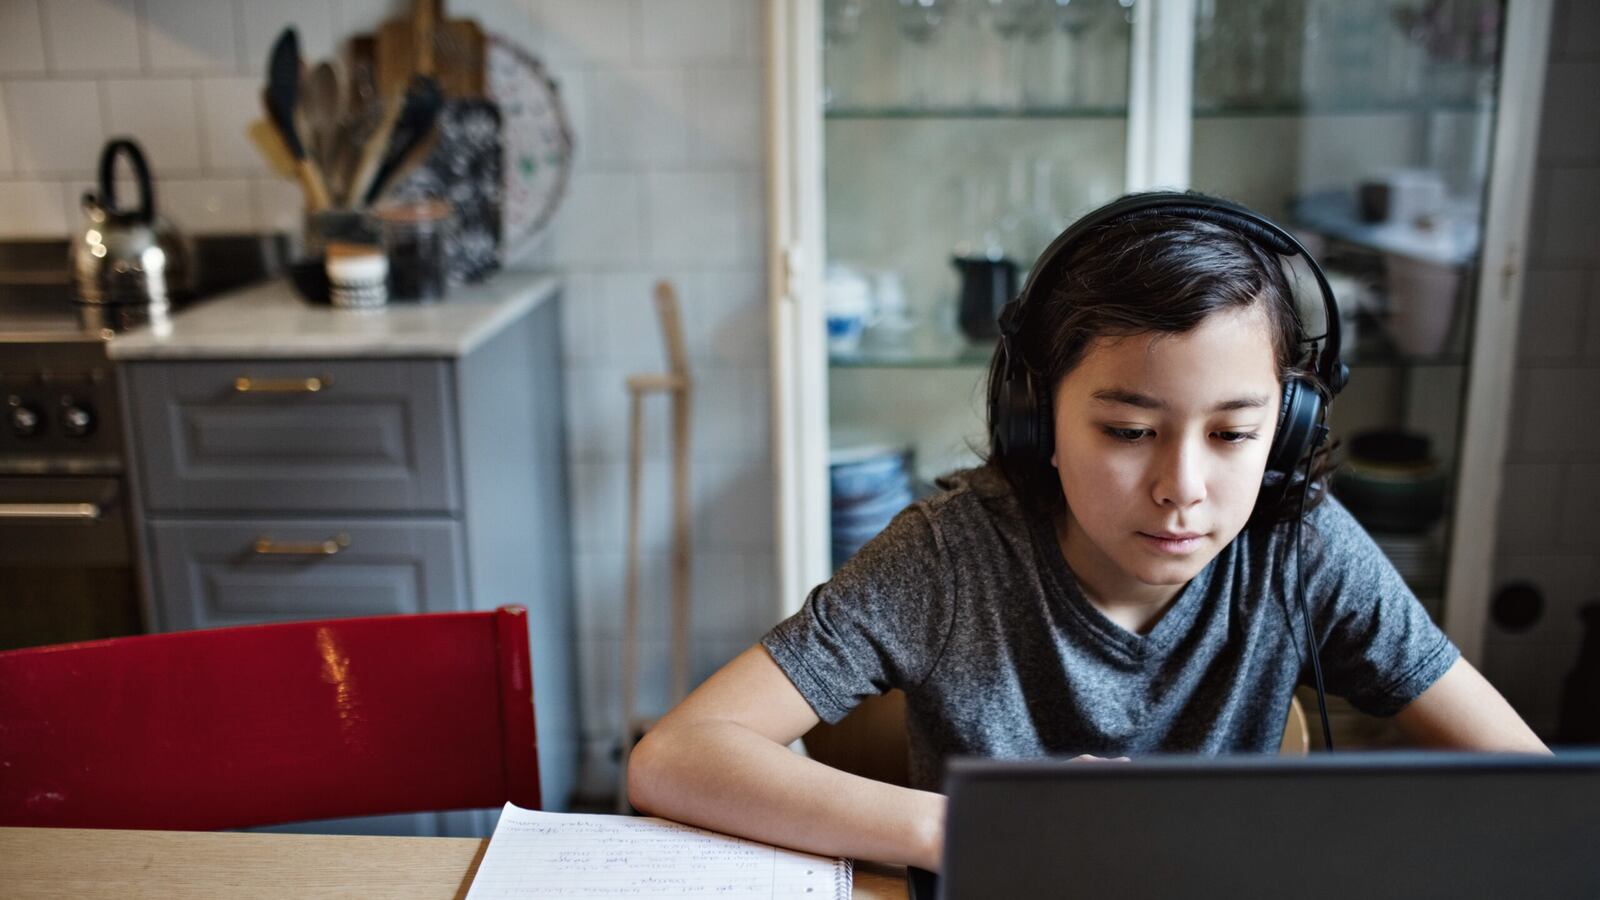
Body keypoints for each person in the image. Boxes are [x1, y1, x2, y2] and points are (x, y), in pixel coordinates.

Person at [626, 192, 1547, 873]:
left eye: (1233, 434)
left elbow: (1536, 793)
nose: (1182, 489)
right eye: (1129, 432)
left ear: (1289, 427)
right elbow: (677, 758)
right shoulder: (952, 554)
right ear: (1037, 419)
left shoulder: (1300, 544)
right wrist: (965, 829)